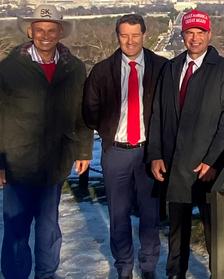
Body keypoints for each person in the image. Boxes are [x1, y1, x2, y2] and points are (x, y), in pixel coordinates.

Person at [0, 4, 93, 279]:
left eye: (51, 30)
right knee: (16, 229)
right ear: (30, 31)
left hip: (55, 160)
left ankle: (46, 273)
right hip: (18, 162)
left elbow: (81, 111)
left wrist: (84, 150)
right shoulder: (9, 68)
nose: (45, 35)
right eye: (39, 30)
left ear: (60, 32)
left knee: (49, 227)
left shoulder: (74, 68)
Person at [147, 9, 224, 278]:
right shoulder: (171, 68)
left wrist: (211, 160)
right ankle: (176, 274)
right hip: (174, 166)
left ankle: (218, 274)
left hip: (207, 169)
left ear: (209, 34)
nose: (195, 38)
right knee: (177, 233)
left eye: (200, 33)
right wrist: (155, 154)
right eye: (190, 32)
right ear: (182, 35)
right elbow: (158, 115)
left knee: (214, 232)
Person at [82, 14, 167, 279]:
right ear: (117, 36)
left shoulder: (161, 67)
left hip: (148, 152)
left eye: (135, 35)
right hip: (115, 151)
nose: (130, 41)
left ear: (144, 34)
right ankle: (124, 267)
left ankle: (149, 266)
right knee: (118, 215)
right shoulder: (102, 70)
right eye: (124, 35)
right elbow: (89, 110)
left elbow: (169, 111)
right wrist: (108, 130)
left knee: (150, 215)